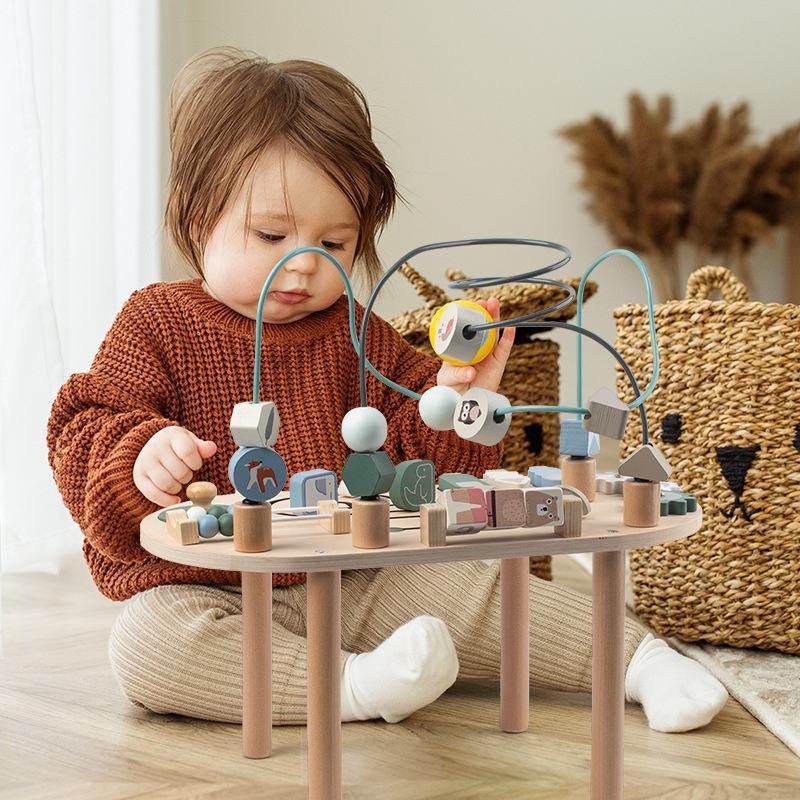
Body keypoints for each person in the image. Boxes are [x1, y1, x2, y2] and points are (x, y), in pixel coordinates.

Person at [47, 47, 727, 733]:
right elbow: (82, 426)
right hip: (213, 589)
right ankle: (351, 688)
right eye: (272, 234)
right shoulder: (155, 321)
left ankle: (642, 662)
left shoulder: (355, 333)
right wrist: (140, 454)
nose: (307, 264)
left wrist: (457, 397)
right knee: (146, 644)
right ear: (199, 222)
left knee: (484, 590)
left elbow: (415, 447)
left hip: (361, 576)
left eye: (337, 243)